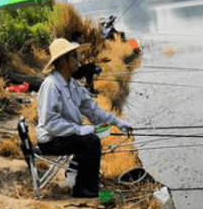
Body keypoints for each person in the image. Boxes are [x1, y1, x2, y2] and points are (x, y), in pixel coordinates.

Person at [36, 38, 132, 198]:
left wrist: (117, 122)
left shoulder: (72, 84)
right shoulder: (51, 85)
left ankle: (82, 180)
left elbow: (92, 110)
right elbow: (50, 123)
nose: (78, 60)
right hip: (51, 140)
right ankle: (85, 190)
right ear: (63, 61)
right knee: (90, 141)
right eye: (74, 56)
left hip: (65, 136)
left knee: (90, 138)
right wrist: (79, 130)